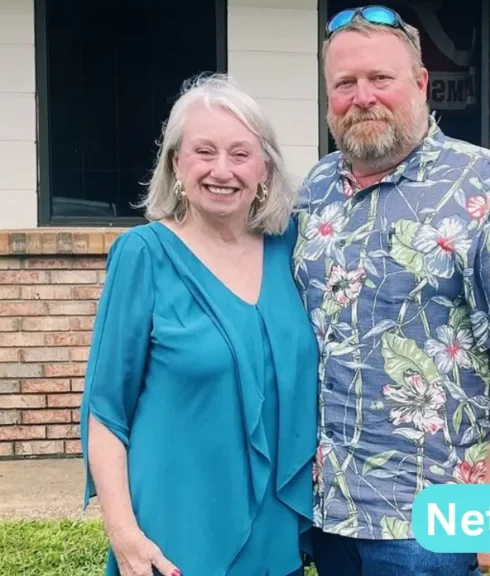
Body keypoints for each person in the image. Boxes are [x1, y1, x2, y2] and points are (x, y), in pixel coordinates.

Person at [291, 6, 490, 575]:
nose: (362, 96)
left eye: (379, 79)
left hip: (429, 517)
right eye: (344, 84)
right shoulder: (313, 192)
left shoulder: (483, 183)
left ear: (420, 84)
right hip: (328, 510)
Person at [79, 73, 318, 576]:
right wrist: (124, 536)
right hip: (173, 541)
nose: (222, 170)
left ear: (265, 171)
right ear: (176, 166)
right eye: (204, 152)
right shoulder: (142, 256)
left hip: (275, 540)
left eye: (240, 154)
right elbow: (105, 411)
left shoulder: (291, 250)